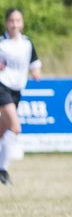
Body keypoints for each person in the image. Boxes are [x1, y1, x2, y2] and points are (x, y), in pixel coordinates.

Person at [0, 9, 41, 185]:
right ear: (6, 23)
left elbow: (34, 62)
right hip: (2, 86)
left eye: (18, 21)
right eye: (11, 21)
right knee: (15, 127)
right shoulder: (1, 42)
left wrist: (36, 72)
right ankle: (3, 170)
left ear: (22, 23)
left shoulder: (27, 43)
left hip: (17, 90)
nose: (15, 24)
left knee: (2, 131)